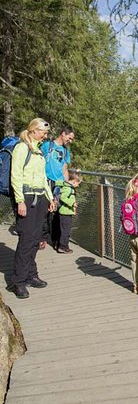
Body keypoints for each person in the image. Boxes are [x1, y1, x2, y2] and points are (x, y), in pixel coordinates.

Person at [6, 118, 56, 299]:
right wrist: (20, 201)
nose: (46, 135)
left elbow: (43, 177)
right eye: (44, 131)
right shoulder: (21, 148)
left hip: (40, 197)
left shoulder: (38, 151)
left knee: (36, 239)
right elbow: (16, 176)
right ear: (34, 130)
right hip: (26, 198)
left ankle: (31, 274)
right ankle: (18, 282)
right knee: (26, 240)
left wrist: (50, 198)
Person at [40, 125, 75, 249]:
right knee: (45, 210)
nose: (70, 141)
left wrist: (68, 185)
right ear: (63, 134)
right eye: (69, 138)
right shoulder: (47, 146)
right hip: (47, 182)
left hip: (59, 184)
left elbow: (64, 169)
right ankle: (42, 237)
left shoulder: (66, 151)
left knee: (58, 212)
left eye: (72, 139)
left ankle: (55, 240)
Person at [54, 171, 82, 254]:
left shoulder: (68, 187)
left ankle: (59, 244)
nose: (78, 185)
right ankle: (63, 247)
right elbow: (63, 197)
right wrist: (72, 203)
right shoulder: (68, 188)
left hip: (66, 212)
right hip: (65, 212)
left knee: (64, 229)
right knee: (66, 231)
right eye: (78, 183)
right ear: (74, 181)